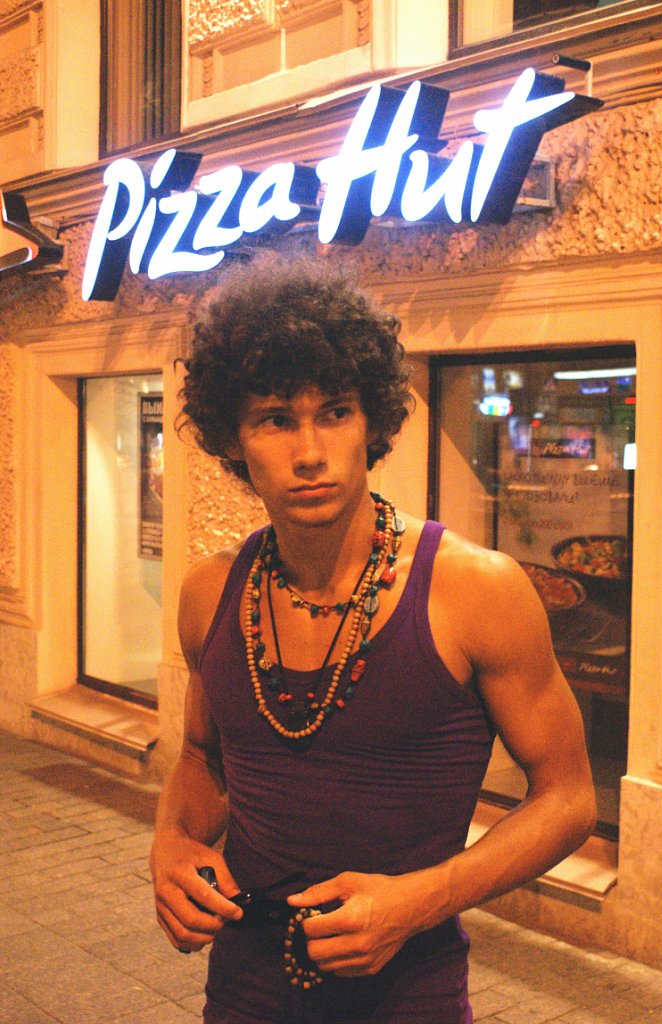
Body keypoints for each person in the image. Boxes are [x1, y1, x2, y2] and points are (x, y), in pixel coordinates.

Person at [150, 254, 596, 1024]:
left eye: (334, 412)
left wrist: (422, 899)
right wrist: (173, 840)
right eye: (275, 419)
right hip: (242, 989)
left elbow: (568, 797)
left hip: (407, 997)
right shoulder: (209, 594)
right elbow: (201, 756)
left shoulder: (474, 590)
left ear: (372, 423)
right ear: (234, 438)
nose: (309, 451)